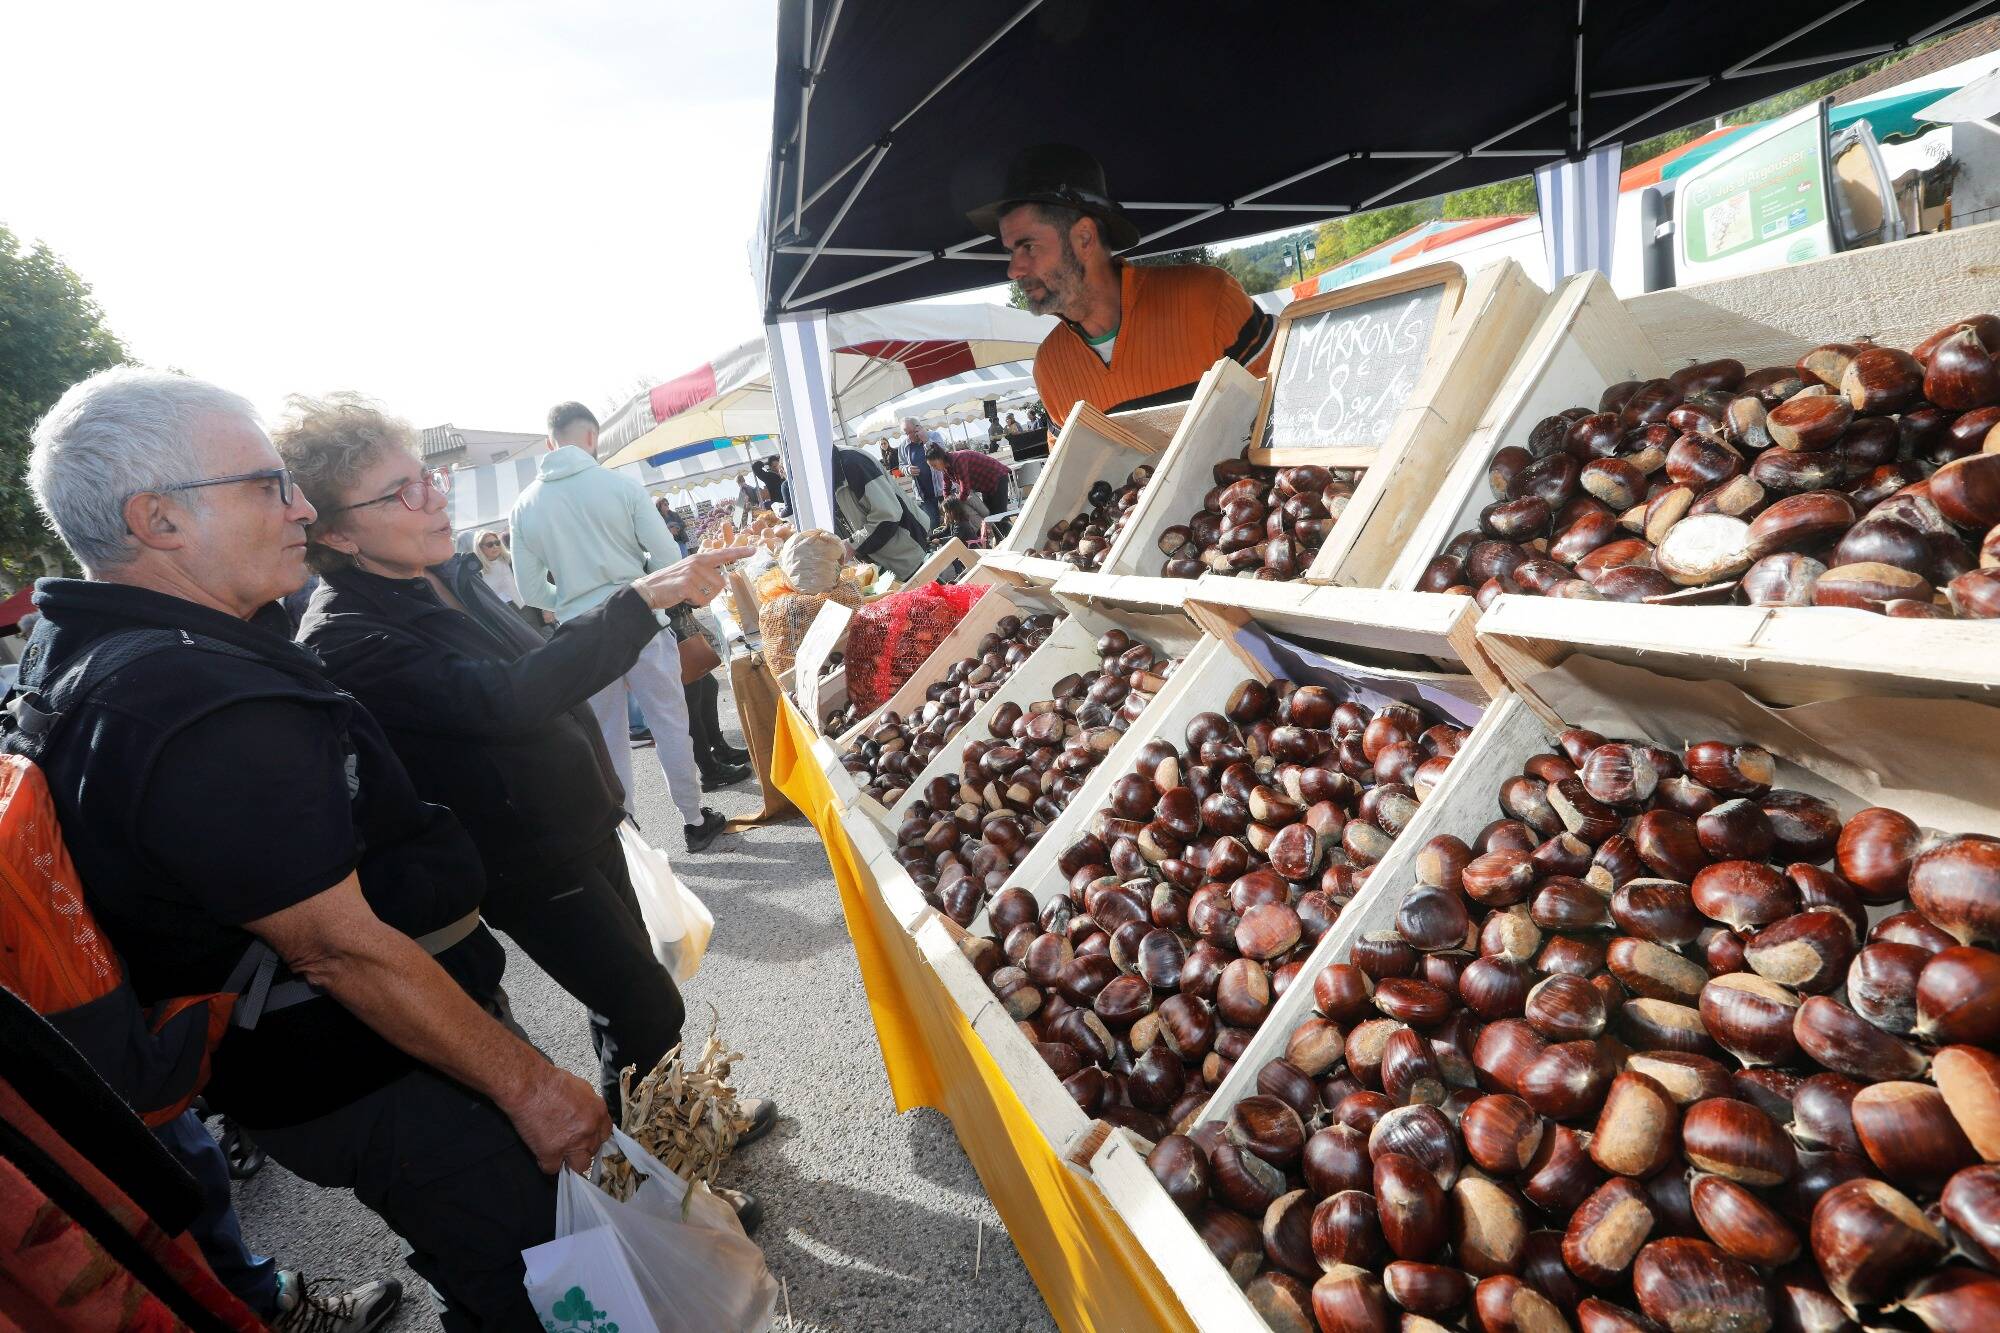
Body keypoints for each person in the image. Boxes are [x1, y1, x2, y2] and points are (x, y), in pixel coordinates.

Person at [19, 366, 608, 1330]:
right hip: (379, 1069)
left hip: (332, 1069)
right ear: (158, 520)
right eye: (267, 484)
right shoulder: (189, 698)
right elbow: (333, 946)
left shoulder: (97, 648)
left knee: (506, 1268)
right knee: (549, 1288)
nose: (299, 506)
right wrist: (532, 1087)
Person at [275, 396, 770, 1146]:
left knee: (636, 995)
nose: (436, 498)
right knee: (642, 1003)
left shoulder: (445, 573)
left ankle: (683, 1136)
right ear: (337, 532)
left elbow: (536, 662)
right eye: (404, 491)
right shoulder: (348, 633)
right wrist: (643, 597)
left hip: (580, 814)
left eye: (429, 478)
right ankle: (655, 1171)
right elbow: (507, 699)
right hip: (526, 855)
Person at [510, 402, 729, 853]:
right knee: (670, 721)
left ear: (550, 443)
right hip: (640, 615)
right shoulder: (619, 485)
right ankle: (692, 818)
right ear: (592, 437)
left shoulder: (524, 505)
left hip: (581, 632)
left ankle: (629, 835)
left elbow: (530, 590)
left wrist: (569, 603)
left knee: (608, 737)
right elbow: (671, 560)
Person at [968, 143, 1277, 430]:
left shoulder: (1208, 298)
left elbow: (1289, 412)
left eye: (1028, 247)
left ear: (1084, 238)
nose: (1013, 270)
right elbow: (1079, 480)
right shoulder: (1051, 367)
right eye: (1011, 252)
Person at [657, 499, 753, 785]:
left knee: (706, 686)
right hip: (661, 624)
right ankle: (709, 769)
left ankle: (717, 749)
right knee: (690, 697)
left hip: (671, 619)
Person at [830, 447, 930, 580]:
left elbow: (888, 516)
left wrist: (852, 545)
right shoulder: (832, 469)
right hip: (888, 565)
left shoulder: (852, 463)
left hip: (908, 554)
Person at [924, 442, 1013, 518]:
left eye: (934, 465)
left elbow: (965, 488)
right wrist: (946, 505)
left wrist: (954, 505)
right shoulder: (945, 468)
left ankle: (1014, 536)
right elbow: (946, 486)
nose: (934, 468)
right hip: (986, 485)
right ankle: (1002, 537)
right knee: (990, 516)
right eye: (931, 467)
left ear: (940, 459)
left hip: (997, 477)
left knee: (1000, 515)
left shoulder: (958, 459)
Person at [897, 417, 945, 528]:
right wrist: (908, 470)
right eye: (906, 433)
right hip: (924, 494)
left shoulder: (934, 436)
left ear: (918, 427)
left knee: (953, 520)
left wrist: (926, 441)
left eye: (911, 432)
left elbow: (942, 455)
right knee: (933, 526)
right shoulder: (903, 446)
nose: (909, 436)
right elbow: (901, 465)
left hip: (943, 488)